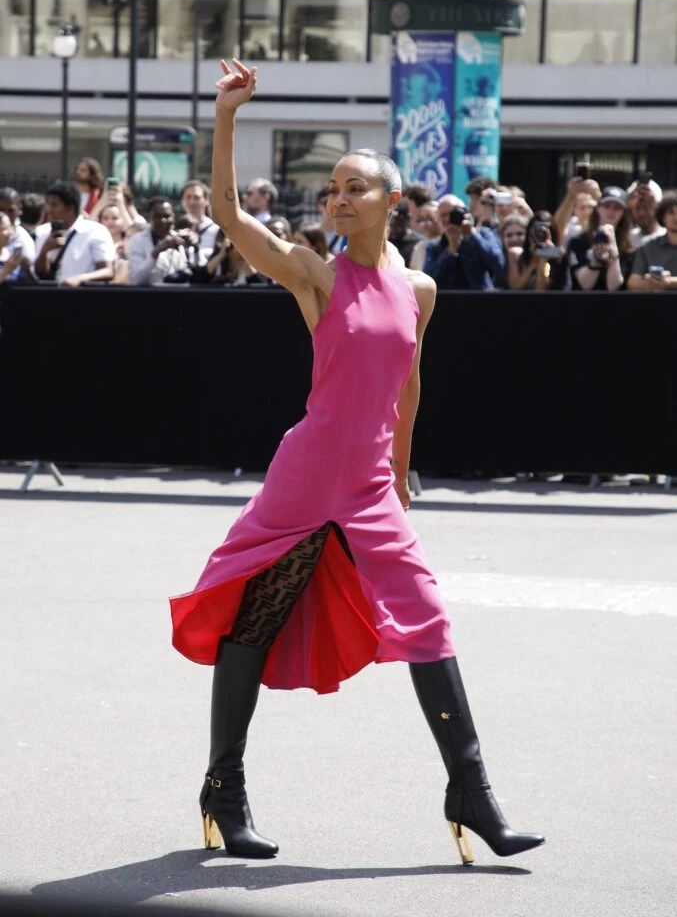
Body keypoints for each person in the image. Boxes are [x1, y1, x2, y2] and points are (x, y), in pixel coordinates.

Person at [170, 59, 544, 865]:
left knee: (427, 624)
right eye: (331, 189)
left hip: (372, 486)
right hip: (306, 479)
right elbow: (233, 218)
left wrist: (403, 477)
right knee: (254, 621)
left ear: (392, 204)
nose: (337, 199)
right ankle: (223, 790)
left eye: (353, 188)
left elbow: (406, 390)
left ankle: (470, 795)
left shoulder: (418, 290)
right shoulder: (314, 272)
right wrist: (227, 117)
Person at [33, 181, 115, 286]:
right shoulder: (42, 232)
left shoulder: (95, 231)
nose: (49, 210)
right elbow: (40, 273)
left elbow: (108, 271)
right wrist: (45, 250)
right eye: (47, 204)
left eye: (54, 205)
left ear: (70, 208)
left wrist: (79, 279)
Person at [567, 187, 634, 292]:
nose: (612, 211)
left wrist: (613, 249)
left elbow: (614, 286)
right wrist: (597, 257)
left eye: (617, 208)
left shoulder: (628, 247)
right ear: (598, 208)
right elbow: (585, 285)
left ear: (623, 213)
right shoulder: (578, 241)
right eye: (607, 206)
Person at [127, 197, 191, 286]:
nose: (163, 220)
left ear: (173, 217)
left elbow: (187, 273)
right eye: (158, 216)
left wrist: (194, 249)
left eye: (167, 216)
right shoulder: (137, 241)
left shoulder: (178, 239)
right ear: (150, 217)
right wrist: (156, 252)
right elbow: (136, 279)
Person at [627, 190, 677, 292]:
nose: (676, 217)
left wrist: (669, 282)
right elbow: (632, 282)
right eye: (671, 213)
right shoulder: (648, 246)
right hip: (656, 305)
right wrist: (648, 282)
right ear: (663, 217)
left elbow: (667, 282)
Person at [181, 180, 221, 261]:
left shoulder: (216, 229)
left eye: (196, 198)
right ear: (182, 201)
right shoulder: (175, 227)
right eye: (188, 197)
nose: (191, 202)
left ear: (207, 201)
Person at [387, 199, 425, 268]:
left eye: (398, 226)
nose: (394, 229)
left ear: (408, 220)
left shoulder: (417, 244)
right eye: (391, 225)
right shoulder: (385, 240)